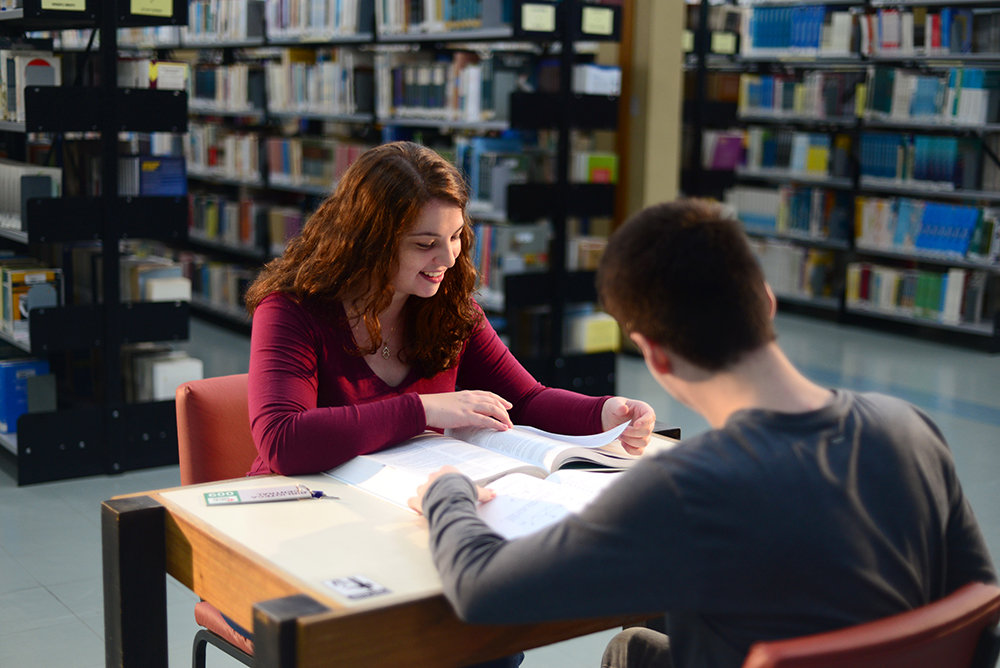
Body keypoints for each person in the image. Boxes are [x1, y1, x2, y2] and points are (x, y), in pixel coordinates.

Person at [409, 198, 997, 668]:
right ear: (766, 300)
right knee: (642, 642)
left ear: (655, 355)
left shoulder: (685, 488)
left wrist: (449, 491)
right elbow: (980, 612)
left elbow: (482, 590)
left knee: (635, 649)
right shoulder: (909, 428)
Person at [239, 141, 656, 666]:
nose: (449, 258)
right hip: (308, 530)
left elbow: (525, 398)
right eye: (425, 243)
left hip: (403, 521)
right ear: (369, 240)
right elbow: (282, 440)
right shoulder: (292, 310)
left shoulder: (448, 307)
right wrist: (425, 410)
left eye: (457, 236)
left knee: (489, 636)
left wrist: (603, 413)